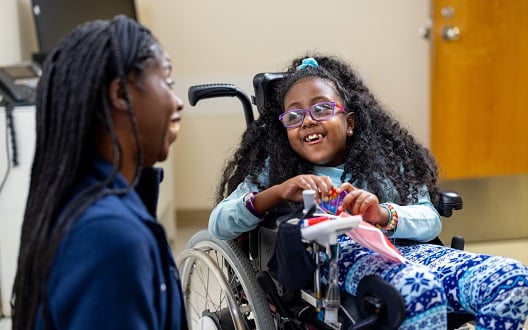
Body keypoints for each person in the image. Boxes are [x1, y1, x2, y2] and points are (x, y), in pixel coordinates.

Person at [208, 54, 528, 329]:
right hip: (333, 263)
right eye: (294, 116)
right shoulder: (274, 172)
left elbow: (429, 220)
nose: (307, 121)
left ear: (349, 122)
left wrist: (384, 214)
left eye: (321, 109)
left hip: (410, 252)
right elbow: (220, 224)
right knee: (417, 289)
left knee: (511, 278)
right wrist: (276, 193)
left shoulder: (385, 165)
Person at [11, 15, 187, 329]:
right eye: (168, 82)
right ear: (120, 94)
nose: (177, 103)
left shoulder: (88, 205)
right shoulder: (110, 237)